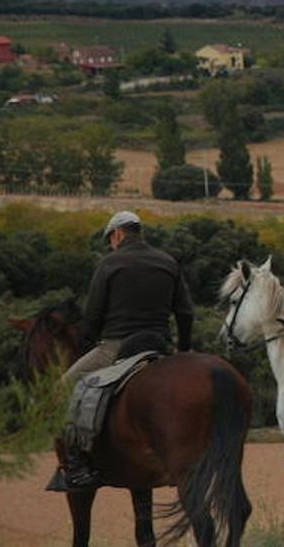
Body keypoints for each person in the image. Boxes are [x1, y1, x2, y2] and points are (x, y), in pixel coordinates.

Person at [57, 210, 194, 489]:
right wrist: (183, 350)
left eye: (111, 239)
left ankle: (77, 462)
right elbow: (186, 312)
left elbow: (93, 317)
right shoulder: (168, 262)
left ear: (118, 234)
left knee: (63, 387)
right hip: (159, 345)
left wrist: (87, 345)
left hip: (117, 346)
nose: (111, 243)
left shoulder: (109, 263)